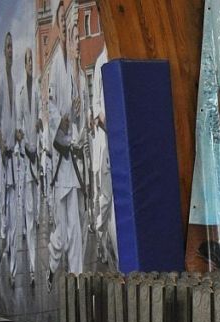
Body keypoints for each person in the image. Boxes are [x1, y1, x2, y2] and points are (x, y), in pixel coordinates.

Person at [47, 0, 85, 285]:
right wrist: (59, 120)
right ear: (57, 27)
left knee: (75, 226)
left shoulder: (74, 69)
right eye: (60, 20)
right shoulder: (54, 69)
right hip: (60, 159)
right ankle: (52, 262)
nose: (63, 23)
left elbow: (77, 112)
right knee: (62, 230)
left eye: (65, 19)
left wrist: (76, 111)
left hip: (72, 159)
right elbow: (49, 108)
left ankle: (77, 279)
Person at [13, 47, 42, 285]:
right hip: (26, 162)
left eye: (32, 59)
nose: (31, 63)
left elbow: (40, 120)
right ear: (24, 65)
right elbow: (18, 126)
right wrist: (21, 137)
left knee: (35, 213)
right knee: (29, 217)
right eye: (28, 60)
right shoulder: (21, 92)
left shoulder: (38, 91)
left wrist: (40, 125)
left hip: (37, 160)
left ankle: (34, 265)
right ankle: (32, 268)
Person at [90, 44, 117, 268]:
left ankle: (117, 257)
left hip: (120, 141)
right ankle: (99, 233)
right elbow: (96, 105)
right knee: (106, 200)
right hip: (106, 140)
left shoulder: (118, 53)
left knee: (116, 203)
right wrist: (104, 120)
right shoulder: (100, 62)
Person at [0, 32, 17, 268]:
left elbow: (15, 118)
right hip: (4, 154)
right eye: (8, 46)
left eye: (12, 46)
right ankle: (4, 238)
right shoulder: (2, 76)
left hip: (14, 155)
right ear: (4, 51)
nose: (11, 50)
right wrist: (0, 141)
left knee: (12, 205)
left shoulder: (14, 78)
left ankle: (10, 251)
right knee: (3, 202)